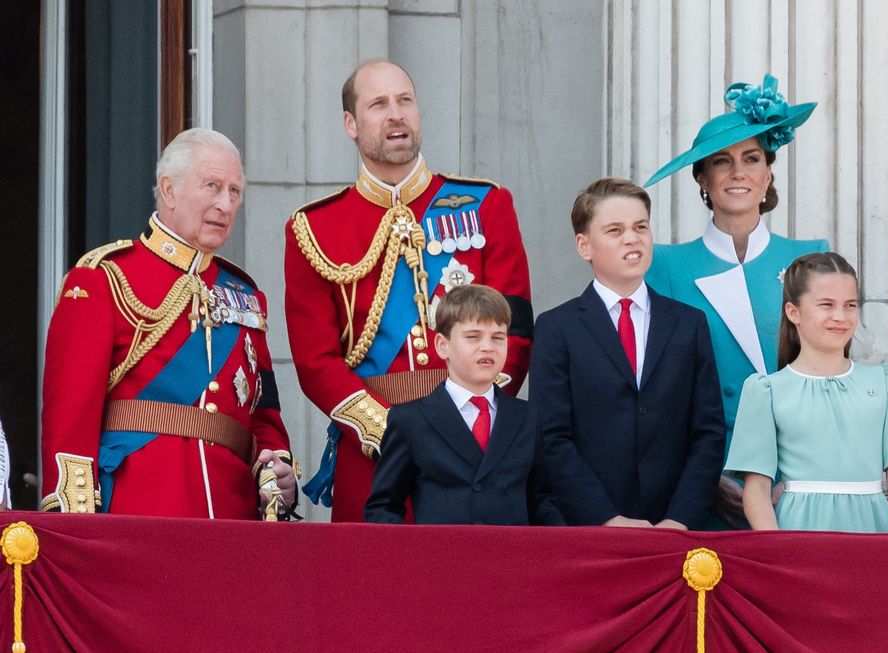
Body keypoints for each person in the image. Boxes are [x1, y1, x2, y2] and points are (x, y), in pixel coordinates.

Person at [285, 59, 533, 522]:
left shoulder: (487, 205)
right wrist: (396, 432)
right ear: (351, 125)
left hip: (474, 449)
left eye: (405, 101)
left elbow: (514, 333)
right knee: (374, 589)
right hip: (373, 454)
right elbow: (315, 361)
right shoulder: (313, 229)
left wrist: (465, 419)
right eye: (378, 104)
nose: (396, 114)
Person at [40, 128, 298, 520]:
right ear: (169, 189)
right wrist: (78, 529)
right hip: (137, 515)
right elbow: (70, 421)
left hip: (232, 521)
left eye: (234, 191)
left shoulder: (245, 294)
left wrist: (277, 471)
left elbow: (264, 416)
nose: (225, 204)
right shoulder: (104, 279)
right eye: (212, 186)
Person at [643, 74, 829, 527]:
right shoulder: (664, 264)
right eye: (722, 162)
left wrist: (800, 476)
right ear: (702, 178)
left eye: (751, 158)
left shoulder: (810, 256)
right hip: (701, 480)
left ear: (768, 173)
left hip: (796, 481)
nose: (738, 172)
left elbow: (829, 380)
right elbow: (660, 390)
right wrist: (705, 477)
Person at [530, 178, 725, 529]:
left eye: (640, 227)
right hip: (589, 527)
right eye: (615, 230)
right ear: (584, 245)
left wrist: (679, 519)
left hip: (676, 527)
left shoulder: (688, 324)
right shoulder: (556, 328)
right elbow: (552, 437)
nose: (632, 238)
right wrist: (606, 518)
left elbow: (708, 432)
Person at [724, 253, 888, 533]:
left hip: (874, 532)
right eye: (826, 305)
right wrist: (776, 552)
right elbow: (756, 489)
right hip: (799, 535)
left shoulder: (884, 381)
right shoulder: (767, 391)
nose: (840, 316)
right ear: (793, 312)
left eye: (850, 305)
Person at [364, 285, 562, 525]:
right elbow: (385, 505)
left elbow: (540, 500)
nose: (487, 346)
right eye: (473, 337)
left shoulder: (528, 417)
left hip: (512, 559)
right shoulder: (410, 420)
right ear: (442, 345)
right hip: (441, 559)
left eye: (498, 338)